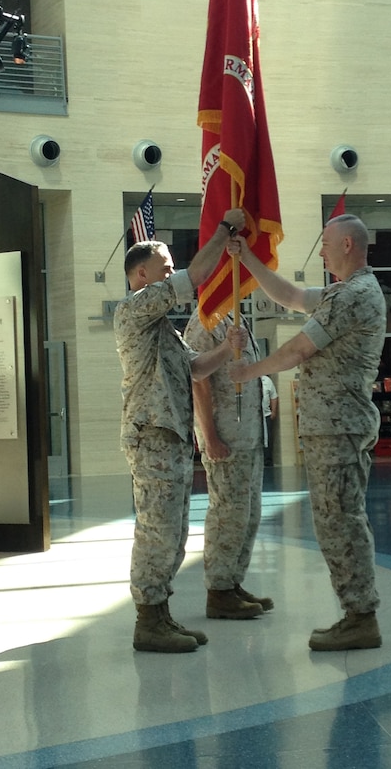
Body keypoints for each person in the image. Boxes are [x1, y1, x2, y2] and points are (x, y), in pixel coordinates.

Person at [229, 213, 386, 652]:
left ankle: (360, 616)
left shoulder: (355, 295)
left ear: (349, 246)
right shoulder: (344, 291)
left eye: (326, 244)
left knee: (340, 521)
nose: (321, 251)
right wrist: (250, 260)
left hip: (339, 426)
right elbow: (293, 296)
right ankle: (357, 612)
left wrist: (249, 372)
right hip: (331, 426)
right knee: (336, 519)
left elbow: (300, 348)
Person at [114, 208, 246, 654]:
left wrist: (227, 351)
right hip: (152, 435)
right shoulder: (133, 311)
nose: (172, 272)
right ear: (139, 275)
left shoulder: (164, 330)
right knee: (156, 529)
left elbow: (195, 368)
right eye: (164, 267)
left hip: (169, 437)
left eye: (171, 266)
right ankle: (148, 620)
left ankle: (161, 613)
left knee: (173, 531)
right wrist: (226, 229)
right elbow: (196, 275)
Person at [183, 309, 273, 620]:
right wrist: (209, 436)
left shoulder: (234, 315)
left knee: (248, 514)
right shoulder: (206, 318)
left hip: (248, 434)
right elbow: (198, 380)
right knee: (227, 513)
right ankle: (218, 590)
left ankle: (233, 583)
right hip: (226, 437)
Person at [261, 375, 279, 466]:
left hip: (266, 415)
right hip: (253, 417)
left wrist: (274, 411)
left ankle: (267, 462)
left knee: (267, 439)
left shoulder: (267, 380)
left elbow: (274, 396)